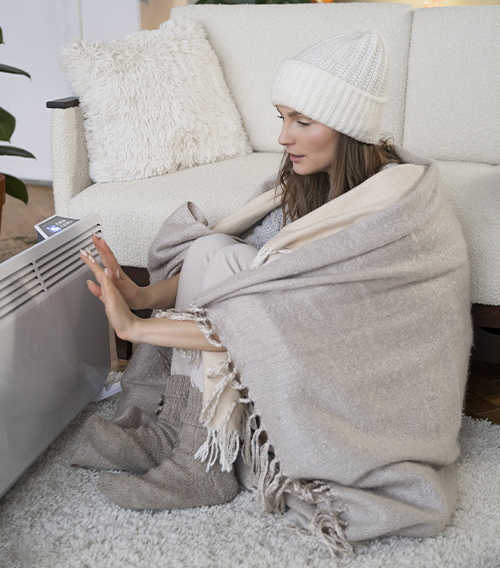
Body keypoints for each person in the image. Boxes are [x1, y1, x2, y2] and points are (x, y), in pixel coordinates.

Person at [77, 28, 471, 554]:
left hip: (356, 371)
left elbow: (286, 314)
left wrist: (135, 330)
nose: (283, 138)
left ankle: (203, 462)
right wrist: (144, 297)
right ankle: (179, 431)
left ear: (348, 130)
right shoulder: (307, 181)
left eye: (302, 122)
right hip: (295, 337)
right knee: (214, 247)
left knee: (240, 278)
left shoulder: (392, 209)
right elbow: (243, 264)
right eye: (282, 117)